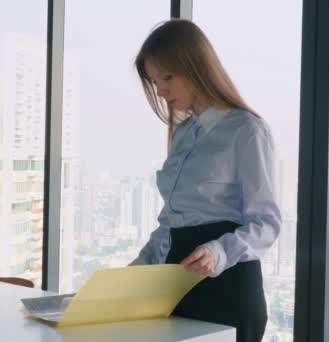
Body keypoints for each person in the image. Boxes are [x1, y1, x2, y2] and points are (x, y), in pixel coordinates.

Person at [130, 19, 281, 342]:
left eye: (167, 77)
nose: (161, 90)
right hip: (178, 289)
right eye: (155, 81)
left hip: (229, 289)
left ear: (196, 66)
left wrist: (218, 252)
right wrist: (141, 263)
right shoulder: (182, 135)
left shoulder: (247, 131)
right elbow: (173, 223)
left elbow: (266, 223)